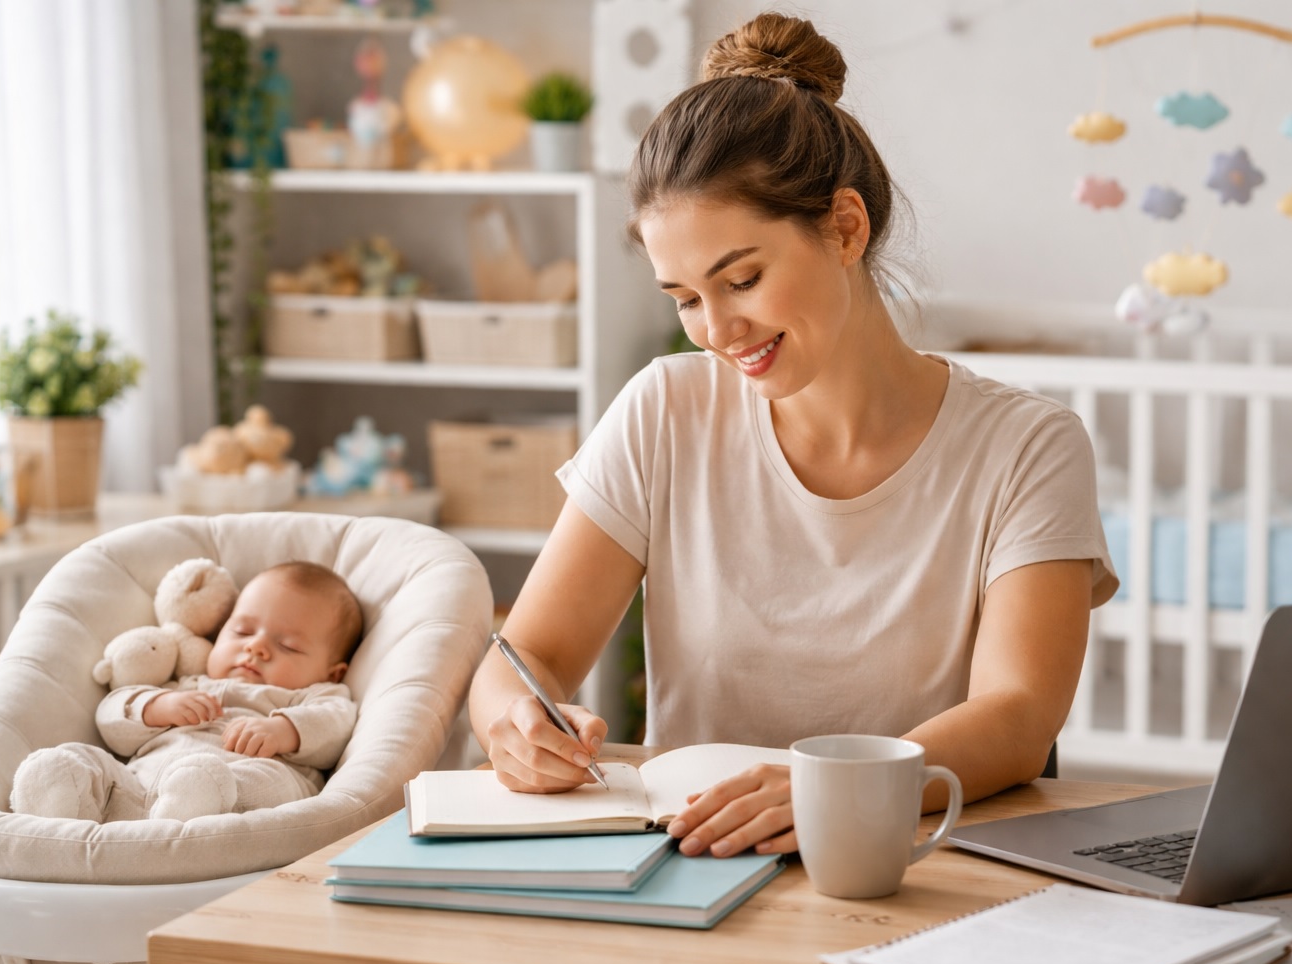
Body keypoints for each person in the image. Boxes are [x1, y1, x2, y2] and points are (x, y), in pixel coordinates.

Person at [469, 12, 1118, 860]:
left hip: (912, 868)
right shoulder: (665, 410)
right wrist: (513, 720)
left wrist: (836, 793)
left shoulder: (1027, 447)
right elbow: (526, 653)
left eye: (741, 279)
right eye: (685, 298)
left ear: (847, 227)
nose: (715, 331)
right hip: (695, 865)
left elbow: (1020, 716)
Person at [12, 561, 362, 822]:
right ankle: (60, 801)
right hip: (139, 789)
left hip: (236, 797)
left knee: (274, 784)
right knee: (80, 761)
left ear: (332, 672)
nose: (255, 647)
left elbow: (336, 724)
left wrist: (283, 730)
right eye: (241, 632)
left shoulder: (314, 696)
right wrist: (156, 706)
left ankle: (194, 801)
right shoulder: (187, 683)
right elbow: (111, 715)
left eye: (288, 646)